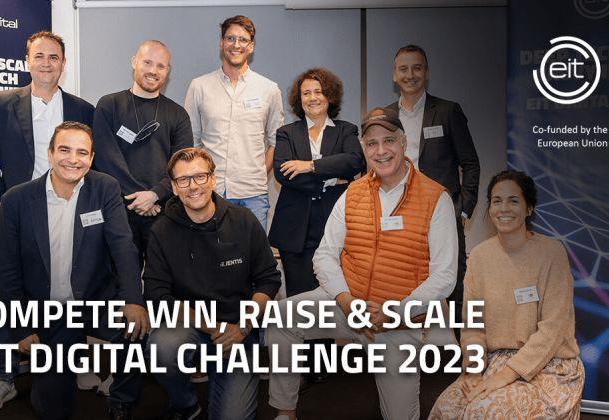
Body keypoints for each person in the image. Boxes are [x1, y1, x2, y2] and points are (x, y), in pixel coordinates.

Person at [268, 108, 458, 420]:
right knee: (282, 317)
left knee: (400, 416)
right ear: (363, 149)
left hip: (398, 321)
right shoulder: (352, 193)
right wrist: (346, 301)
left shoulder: (436, 198)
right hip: (349, 306)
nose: (381, 151)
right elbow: (325, 255)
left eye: (389, 141)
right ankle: (285, 412)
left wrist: (395, 312)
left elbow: (445, 276)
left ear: (403, 142)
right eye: (372, 143)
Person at [0, 31, 96, 413]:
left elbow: (91, 160)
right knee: (11, 293)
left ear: (63, 63)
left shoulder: (83, 109)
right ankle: (3, 379)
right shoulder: (3, 103)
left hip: (69, 211)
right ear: (27, 61)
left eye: (54, 57)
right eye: (39, 56)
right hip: (21, 213)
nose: (46, 63)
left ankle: (74, 363)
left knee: (72, 289)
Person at [0, 121, 150, 420]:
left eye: (82, 152)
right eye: (65, 150)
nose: (73, 159)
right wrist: (21, 327)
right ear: (50, 153)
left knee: (137, 330)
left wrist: (133, 300)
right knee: (52, 408)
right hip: (47, 311)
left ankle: (121, 398)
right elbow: (8, 272)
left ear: (91, 158)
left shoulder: (105, 188)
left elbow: (123, 247)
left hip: (95, 301)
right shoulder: (16, 199)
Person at [428, 170, 584, 419]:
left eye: (513, 201)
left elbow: (552, 329)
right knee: (446, 409)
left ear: (528, 208)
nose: (504, 209)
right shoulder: (479, 257)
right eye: (497, 201)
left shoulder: (552, 253)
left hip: (548, 366)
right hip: (493, 362)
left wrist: (505, 376)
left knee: (483, 411)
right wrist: (474, 370)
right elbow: (472, 325)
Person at [144, 147, 281, 420]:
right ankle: (186, 403)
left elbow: (268, 279)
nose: (193, 186)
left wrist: (243, 327)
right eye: (183, 180)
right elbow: (157, 295)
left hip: (238, 331)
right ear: (174, 187)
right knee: (161, 348)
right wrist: (213, 327)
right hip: (190, 328)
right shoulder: (161, 230)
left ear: (213, 179)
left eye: (200, 176)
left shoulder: (243, 221)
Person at [268, 68, 363, 387]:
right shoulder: (286, 133)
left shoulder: (346, 130)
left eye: (319, 92)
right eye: (306, 92)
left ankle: (322, 362)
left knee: (332, 292)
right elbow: (283, 172)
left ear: (330, 96)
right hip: (296, 227)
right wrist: (330, 180)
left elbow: (354, 162)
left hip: (336, 226)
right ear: (299, 99)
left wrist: (310, 166)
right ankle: (303, 363)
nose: (312, 98)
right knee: (300, 295)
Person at [386, 44, 480, 337]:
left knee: (453, 283)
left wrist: (463, 210)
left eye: (416, 68)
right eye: (403, 69)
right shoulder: (386, 116)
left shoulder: (448, 111)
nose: (410, 75)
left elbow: (470, 164)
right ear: (394, 75)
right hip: (399, 215)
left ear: (426, 73)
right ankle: (406, 348)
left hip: (442, 213)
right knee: (401, 281)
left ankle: (459, 351)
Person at [92, 40, 193, 267]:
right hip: (118, 211)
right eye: (147, 62)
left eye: (160, 66)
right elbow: (106, 159)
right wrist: (142, 197)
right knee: (123, 281)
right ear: (134, 62)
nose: (153, 71)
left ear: (167, 71)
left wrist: (155, 194)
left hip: (164, 213)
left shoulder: (178, 115)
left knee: (164, 280)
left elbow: (183, 167)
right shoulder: (109, 106)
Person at [185, 15, 284, 228]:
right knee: (211, 249)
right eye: (230, 38)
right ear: (221, 43)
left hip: (254, 195)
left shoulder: (269, 89)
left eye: (243, 40)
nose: (236, 45)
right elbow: (192, 140)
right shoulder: (199, 87)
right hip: (211, 192)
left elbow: (275, 141)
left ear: (251, 46)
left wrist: (259, 172)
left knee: (254, 250)